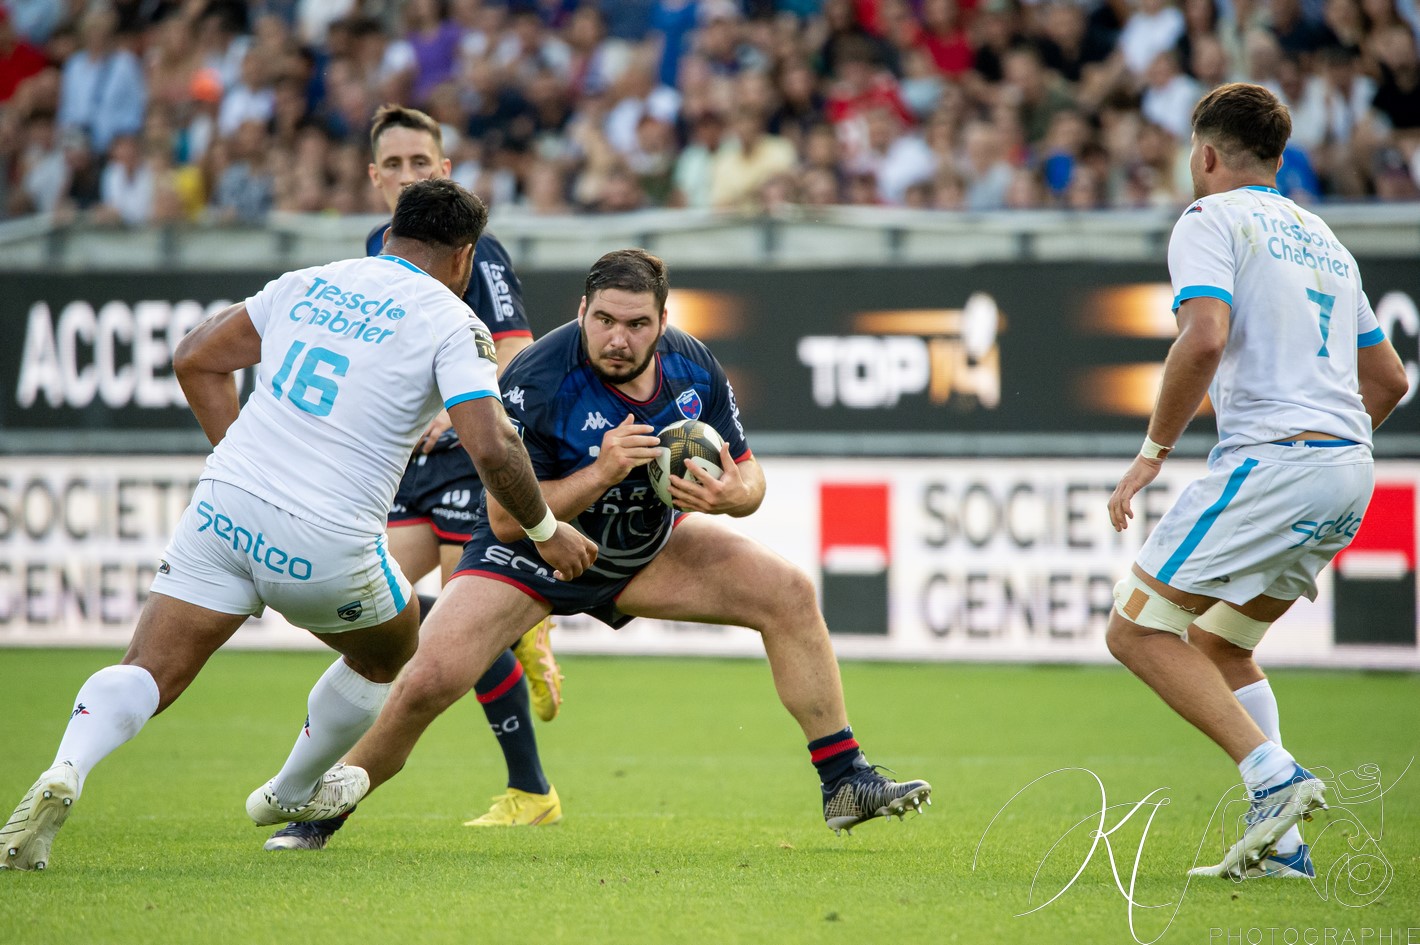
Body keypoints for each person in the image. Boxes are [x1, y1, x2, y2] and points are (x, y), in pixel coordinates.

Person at [0, 179, 597, 872]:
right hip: (326, 535)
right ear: (464, 257)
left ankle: (67, 767)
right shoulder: (451, 319)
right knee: (392, 645)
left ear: (392, 229)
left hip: (224, 506)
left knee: (148, 670)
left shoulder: (309, 281)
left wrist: (237, 458)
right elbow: (492, 444)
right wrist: (547, 527)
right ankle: (291, 788)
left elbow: (195, 356)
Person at [255, 248, 932, 836]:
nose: (617, 337)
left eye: (637, 324)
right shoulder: (537, 378)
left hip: (639, 550)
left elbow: (749, 474)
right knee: (427, 680)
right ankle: (323, 813)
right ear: (583, 310)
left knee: (787, 592)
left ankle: (844, 778)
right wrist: (602, 469)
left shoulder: (693, 367)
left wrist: (733, 495)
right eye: (604, 319)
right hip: (531, 555)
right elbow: (503, 519)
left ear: (663, 324)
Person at [1104, 83, 1409, 881]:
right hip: (1349, 466)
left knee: (1136, 630)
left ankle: (1274, 780)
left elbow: (1202, 339)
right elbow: (1389, 379)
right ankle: (1283, 851)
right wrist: (1327, 462)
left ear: (1204, 154)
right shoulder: (1325, 240)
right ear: (1277, 157)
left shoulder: (1210, 218)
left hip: (1278, 456)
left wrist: (1152, 452)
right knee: (1220, 643)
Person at [259, 104, 568, 851]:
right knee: (372, 610)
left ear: (445, 169)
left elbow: (518, 346)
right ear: (372, 177)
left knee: (459, 622)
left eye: (419, 164)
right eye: (392, 166)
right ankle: (523, 625)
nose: (406, 176)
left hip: (472, 456)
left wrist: (455, 407)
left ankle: (529, 787)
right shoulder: (375, 248)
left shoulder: (476, 249)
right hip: (409, 467)